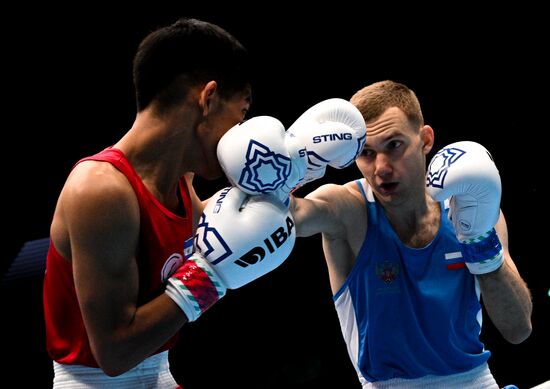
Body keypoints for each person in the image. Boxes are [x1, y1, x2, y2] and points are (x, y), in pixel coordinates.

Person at [42, 18, 297, 388]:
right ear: (208, 99)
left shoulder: (180, 179)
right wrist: (212, 276)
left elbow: (224, 229)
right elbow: (113, 354)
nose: (240, 135)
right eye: (240, 116)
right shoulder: (100, 191)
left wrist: (291, 177)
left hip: (159, 372)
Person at [286, 80, 533, 387]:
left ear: (425, 140)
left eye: (394, 145)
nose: (382, 168)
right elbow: (291, 217)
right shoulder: (348, 209)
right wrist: (291, 172)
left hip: (475, 380)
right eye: (366, 153)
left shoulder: (467, 203)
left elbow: (518, 329)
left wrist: (479, 243)